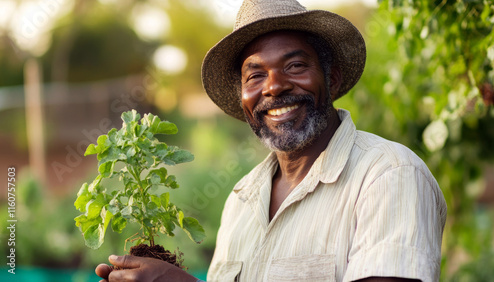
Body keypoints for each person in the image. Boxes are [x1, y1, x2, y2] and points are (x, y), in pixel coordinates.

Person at [96, 0, 447, 281]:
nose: (274, 86)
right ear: (243, 98)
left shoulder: (388, 175)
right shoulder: (241, 201)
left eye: (295, 66)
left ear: (333, 80)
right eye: (256, 75)